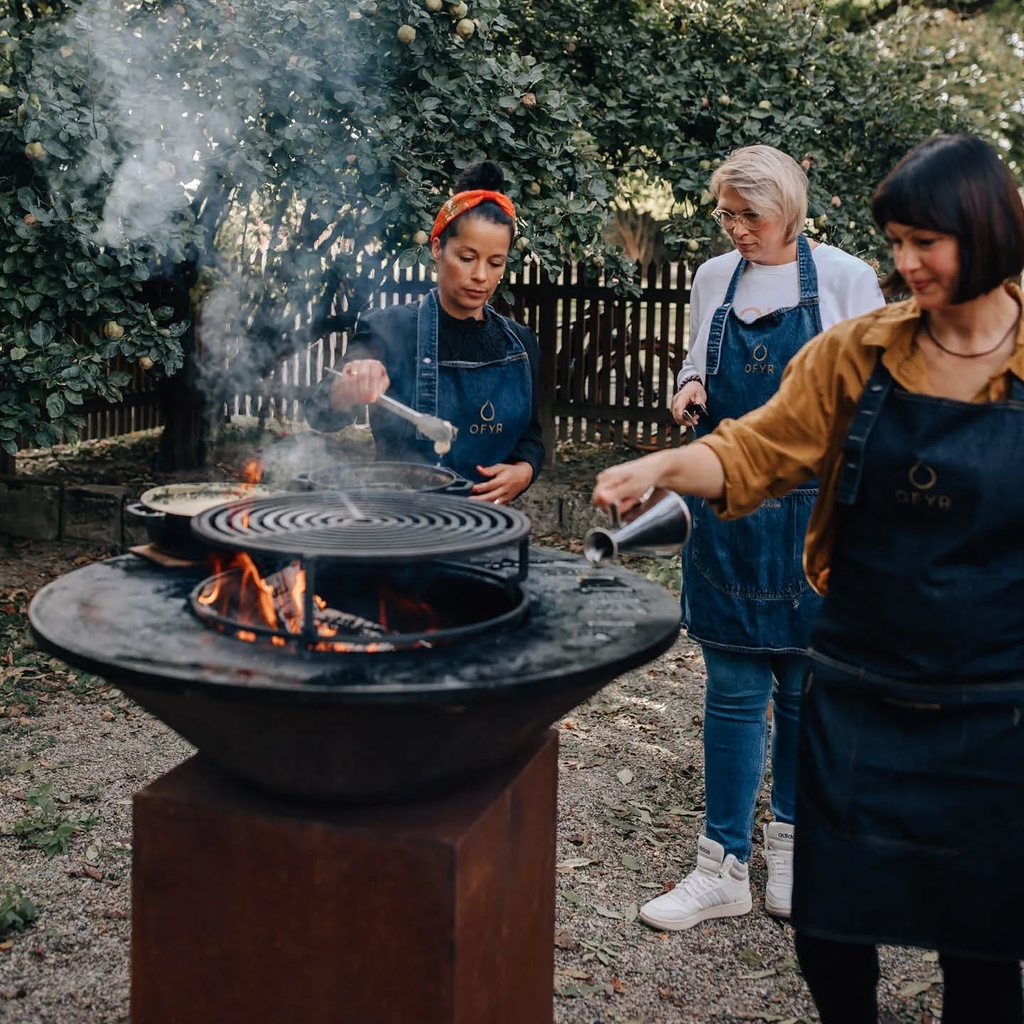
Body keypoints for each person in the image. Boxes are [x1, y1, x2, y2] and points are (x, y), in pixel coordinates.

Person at [592, 132, 1024, 1024]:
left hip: (995, 701)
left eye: (923, 243)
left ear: (986, 231)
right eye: (895, 242)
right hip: (860, 681)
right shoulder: (859, 352)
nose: (902, 264)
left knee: (982, 948)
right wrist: (668, 466)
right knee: (829, 929)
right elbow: (756, 449)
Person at [635, 145, 884, 933]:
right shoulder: (714, 279)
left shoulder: (844, 278)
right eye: (727, 216)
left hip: (818, 520)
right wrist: (688, 387)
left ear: (791, 210)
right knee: (734, 691)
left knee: (806, 693)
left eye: (753, 215)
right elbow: (690, 363)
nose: (738, 230)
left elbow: (878, 393)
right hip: (732, 514)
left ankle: (794, 851)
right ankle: (722, 866)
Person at [305, 160, 543, 504]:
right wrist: (349, 385)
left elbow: (531, 437)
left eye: (495, 263)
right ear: (437, 249)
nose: (480, 276)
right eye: (466, 257)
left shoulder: (520, 344)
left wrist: (526, 471)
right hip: (403, 526)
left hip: (491, 527)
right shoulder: (389, 330)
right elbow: (319, 414)